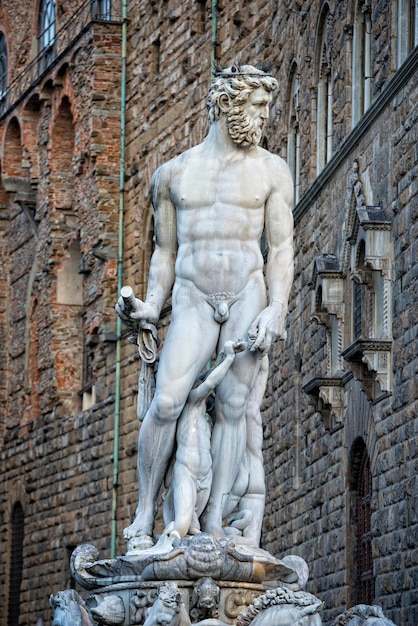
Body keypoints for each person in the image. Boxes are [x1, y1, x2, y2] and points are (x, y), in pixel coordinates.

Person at [117, 62, 294, 549]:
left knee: (235, 406)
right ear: (228, 103)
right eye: (258, 107)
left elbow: (280, 249)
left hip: (246, 293)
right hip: (193, 297)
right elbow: (164, 253)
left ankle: (214, 516)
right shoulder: (172, 175)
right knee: (168, 401)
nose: (264, 117)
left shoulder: (272, 171)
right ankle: (145, 512)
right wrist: (152, 306)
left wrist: (276, 307)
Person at [163, 340, 247, 541]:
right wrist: (228, 358)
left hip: (205, 476)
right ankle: (168, 544)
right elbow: (209, 383)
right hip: (187, 474)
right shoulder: (190, 404)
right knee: (182, 525)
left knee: (195, 530)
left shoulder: (204, 419)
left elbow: (205, 379)